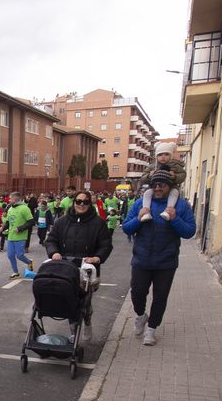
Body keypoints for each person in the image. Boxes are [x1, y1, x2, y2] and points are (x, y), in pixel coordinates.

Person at [122, 172, 197, 346]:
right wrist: (139, 219)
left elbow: (189, 232)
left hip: (166, 261)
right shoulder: (141, 203)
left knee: (160, 297)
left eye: (161, 185)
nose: (157, 188)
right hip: (141, 259)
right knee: (137, 292)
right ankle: (141, 316)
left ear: (169, 186)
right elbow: (126, 228)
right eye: (154, 185)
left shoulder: (181, 206)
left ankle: (151, 330)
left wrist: (174, 218)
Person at [45, 190, 115, 342]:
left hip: (86, 269)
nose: (81, 205)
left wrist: (97, 257)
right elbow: (51, 240)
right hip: (66, 268)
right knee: (70, 300)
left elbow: (106, 245)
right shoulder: (62, 221)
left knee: (85, 302)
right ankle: (73, 331)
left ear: (90, 204)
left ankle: (87, 321)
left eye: (85, 202)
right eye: (78, 201)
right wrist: (54, 252)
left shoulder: (98, 223)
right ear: (74, 202)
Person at [138, 142, 186, 222]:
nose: (163, 157)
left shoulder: (175, 165)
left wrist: (175, 176)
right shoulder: (153, 166)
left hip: (171, 187)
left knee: (174, 192)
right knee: (147, 193)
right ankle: (146, 211)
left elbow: (182, 175)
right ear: (156, 156)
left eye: (166, 154)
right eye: (160, 155)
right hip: (153, 188)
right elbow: (143, 177)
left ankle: (168, 211)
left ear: (170, 155)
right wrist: (149, 176)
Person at [0, 191, 35, 279]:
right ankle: (16, 272)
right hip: (11, 236)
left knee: (19, 255)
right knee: (10, 255)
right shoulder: (10, 208)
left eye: (10, 198)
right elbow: (8, 221)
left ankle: (29, 262)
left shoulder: (24, 208)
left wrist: (20, 228)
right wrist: (3, 227)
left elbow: (31, 222)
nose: (8, 200)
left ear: (14, 200)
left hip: (21, 236)